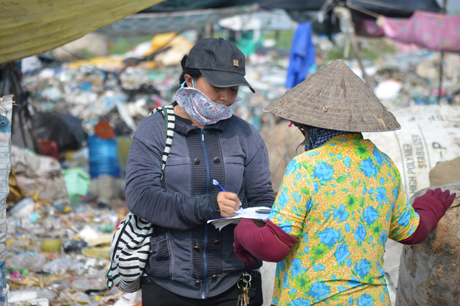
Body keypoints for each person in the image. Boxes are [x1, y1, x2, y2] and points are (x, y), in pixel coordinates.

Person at [233, 60, 457, 306]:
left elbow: (273, 247)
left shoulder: (306, 166)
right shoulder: (384, 166)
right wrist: (430, 208)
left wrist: (241, 229)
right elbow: (412, 231)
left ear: (311, 127)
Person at [125, 38, 274, 306]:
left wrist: (253, 221)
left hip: (235, 283)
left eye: (233, 89)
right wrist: (206, 207)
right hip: (169, 284)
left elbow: (262, 196)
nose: (226, 97)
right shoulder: (155, 130)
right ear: (189, 80)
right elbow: (140, 196)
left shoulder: (246, 135)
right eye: (217, 87)